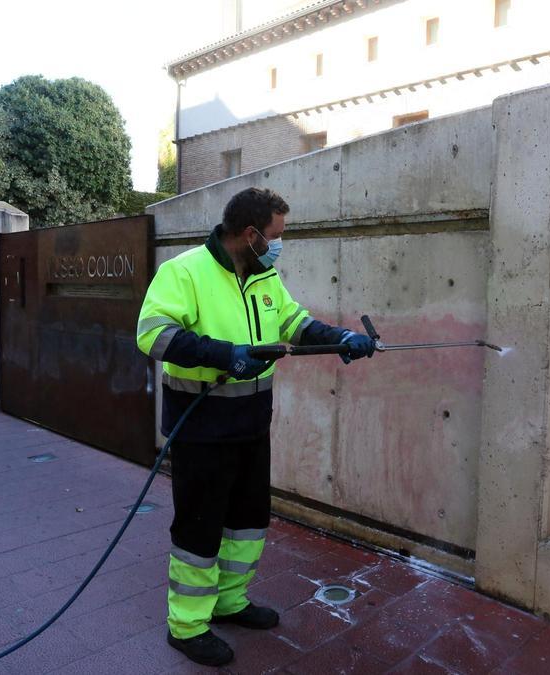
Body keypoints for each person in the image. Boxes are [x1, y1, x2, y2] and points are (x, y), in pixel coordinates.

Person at [137, 187, 376, 667]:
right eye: (276, 235)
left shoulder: (265, 276)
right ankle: (187, 626)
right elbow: (153, 335)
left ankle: (229, 602)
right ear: (249, 234)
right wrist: (226, 355)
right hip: (201, 428)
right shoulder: (184, 272)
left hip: (250, 426)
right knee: (200, 527)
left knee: (247, 522)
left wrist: (341, 338)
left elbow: (293, 322)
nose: (280, 244)